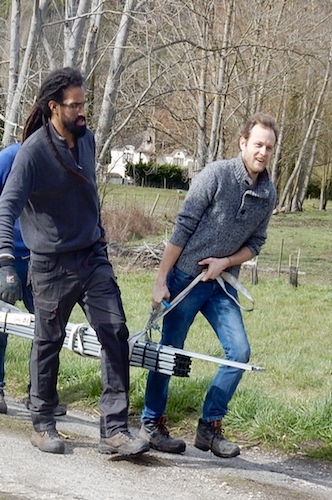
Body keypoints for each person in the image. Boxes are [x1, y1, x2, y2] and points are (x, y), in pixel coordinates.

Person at [0, 67, 149, 456]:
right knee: (49, 342)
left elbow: (88, 193)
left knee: (114, 330)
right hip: (50, 264)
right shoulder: (32, 152)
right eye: (75, 106)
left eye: (84, 104)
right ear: (53, 107)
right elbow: (5, 209)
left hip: (91, 255)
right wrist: (7, 260)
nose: (83, 112)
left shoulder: (87, 139)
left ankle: (114, 429)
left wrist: (98, 231)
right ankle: (43, 423)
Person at [139, 113, 278, 459]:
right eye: (258, 144)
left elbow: (256, 243)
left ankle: (210, 427)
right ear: (243, 143)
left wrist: (225, 263)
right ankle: (151, 423)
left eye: (269, 147)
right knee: (170, 351)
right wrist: (161, 280)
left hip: (222, 285)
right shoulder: (216, 175)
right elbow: (182, 228)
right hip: (185, 278)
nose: (263, 152)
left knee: (240, 353)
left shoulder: (268, 192)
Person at [0, 143, 67, 417]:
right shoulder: (11, 157)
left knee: (46, 325)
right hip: (7, 255)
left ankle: (38, 393)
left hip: (41, 256)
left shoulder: (59, 161)